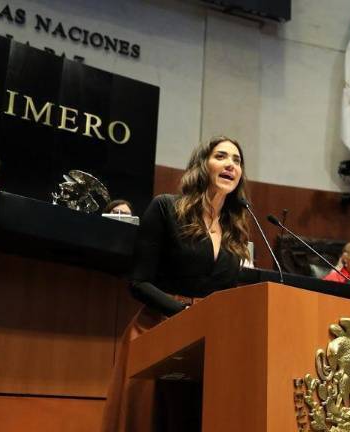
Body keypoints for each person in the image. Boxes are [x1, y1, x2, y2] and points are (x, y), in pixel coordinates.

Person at [101, 136, 251, 432]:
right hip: (158, 330)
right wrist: (185, 313)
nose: (231, 165)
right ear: (202, 165)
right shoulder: (167, 208)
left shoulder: (235, 231)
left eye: (237, 160)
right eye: (221, 156)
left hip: (208, 342)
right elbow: (138, 281)